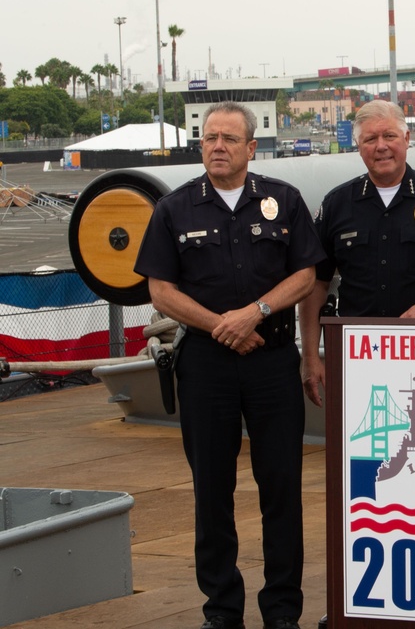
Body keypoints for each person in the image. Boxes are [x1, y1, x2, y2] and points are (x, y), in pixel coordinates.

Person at [134, 101, 325, 629]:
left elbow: (306, 275)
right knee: (211, 490)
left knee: (281, 486)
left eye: (228, 138)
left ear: (250, 147)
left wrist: (256, 313)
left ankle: (282, 611)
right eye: (209, 138)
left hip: (271, 363)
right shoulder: (174, 209)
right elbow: (161, 291)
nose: (217, 146)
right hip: (205, 366)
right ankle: (222, 611)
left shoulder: (283, 201)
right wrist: (223, 325)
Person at [298, 100, 415, 407]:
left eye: (389, 136)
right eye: (370, 139)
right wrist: (310, 355)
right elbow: (315, 284)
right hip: (358, 354)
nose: (381, 146)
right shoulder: (337, 204)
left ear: (407, 139)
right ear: (359, 146)